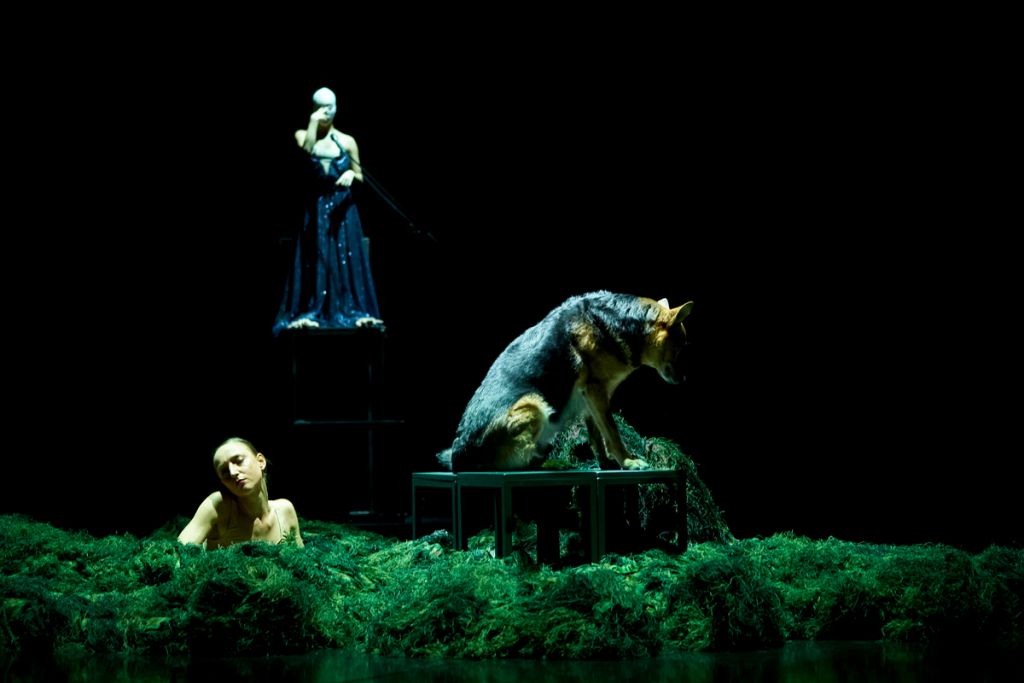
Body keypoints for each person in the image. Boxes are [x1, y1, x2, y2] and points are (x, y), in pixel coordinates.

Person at [273, 86, 383, 334]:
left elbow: (360, 176)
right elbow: (306, 152)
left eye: (330, 106)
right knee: (316, 259)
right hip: (315, 210)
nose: (326, 112)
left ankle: (350, 308)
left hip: (343, 211)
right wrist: (313, 122)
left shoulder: (346, 140)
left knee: (346, 260)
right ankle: (313, 309)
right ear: (313, 108)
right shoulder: (303, 134)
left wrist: (351, 175)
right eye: (321, 107)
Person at [178, 437, 304, 548]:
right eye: (224, 471)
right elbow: (177, 554)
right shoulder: (219, 507)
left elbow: (302, 562)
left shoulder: (285, 510)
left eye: (238, 461)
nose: (233, 472)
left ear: (261, 461)